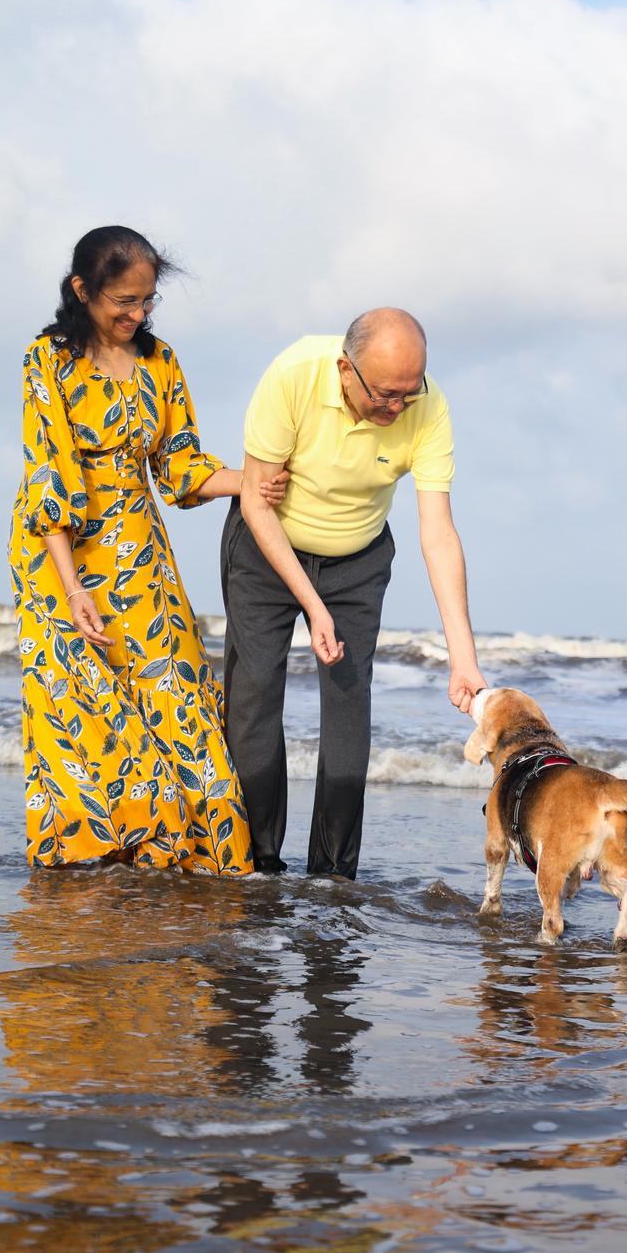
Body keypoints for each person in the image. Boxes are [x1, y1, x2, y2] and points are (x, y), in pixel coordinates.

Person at [9, 225, 286, 872]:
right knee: (88, 707)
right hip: (59, 557)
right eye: (122, 302)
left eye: (148, 302)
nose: (136, 315)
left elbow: (180, 465)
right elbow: (49, 471)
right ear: (83, 290)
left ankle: (191, 855)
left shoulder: (161, 363)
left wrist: (249, 481)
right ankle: (95, 861)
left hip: (141, 549)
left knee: (177, 696)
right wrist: (72, 587)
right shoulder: (46, 360)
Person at [220, 307, 487, 878]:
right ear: (346, 369)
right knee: (253, 699)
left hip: (356, 559)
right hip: (266, 547)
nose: (396, 408)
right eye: (385, 395)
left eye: (407, 396)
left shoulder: (427, 406)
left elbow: (438, 534)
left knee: (348, 709)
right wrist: (312, 605)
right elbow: (254, 499)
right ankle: (256, 862)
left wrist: (462, 658)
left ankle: (333, 875)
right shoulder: (293, 374)